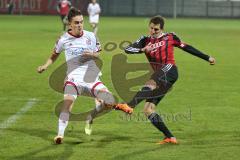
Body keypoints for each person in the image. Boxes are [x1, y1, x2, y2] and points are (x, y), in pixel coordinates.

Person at [37, 8, 132, 144]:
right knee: (67, 104)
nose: (80, 25)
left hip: (91, 77)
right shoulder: (63, 39)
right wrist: (45, 66)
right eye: (76, 23)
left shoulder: (91, 36)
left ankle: (95, 114)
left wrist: (92, 55)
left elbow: (98, 52)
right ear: (69, 24)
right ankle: (60, 135)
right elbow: (54, 55)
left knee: (109, 101)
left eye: (81, 22)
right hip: (73, 79)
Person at [116, 15, 216, 145]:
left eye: (156, 29)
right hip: (161, 78)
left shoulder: (170, 37)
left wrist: (207, 57)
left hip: (170, 70)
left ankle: (129, 105)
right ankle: (170, 137)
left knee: (151, 82)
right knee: (148, 109)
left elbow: (187, 47)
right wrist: (142, 50)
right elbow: (127, 49)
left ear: (161, 29)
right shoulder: (144, 40)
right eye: (151, 28)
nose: (153, 31)